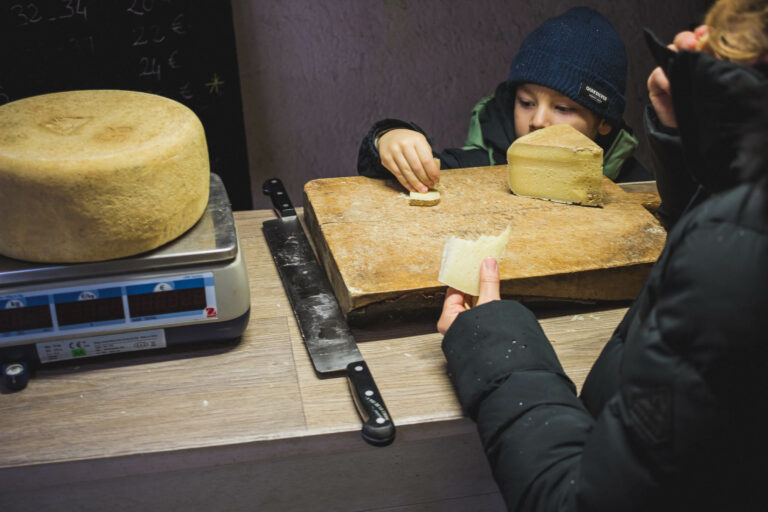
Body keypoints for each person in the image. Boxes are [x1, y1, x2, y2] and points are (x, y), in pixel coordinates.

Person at [436, 0, 768, 510]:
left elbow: (582, 500)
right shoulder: (735, 217)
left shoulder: (734, 258)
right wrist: (693, 147)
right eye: (527, 101)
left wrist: (497, 343)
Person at [357, 6, 651, 194]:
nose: (538, 121)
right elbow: (385, 178)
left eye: (562, 107)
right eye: (526, 102)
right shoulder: (475, 167)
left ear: (603, 122)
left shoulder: (637, 189)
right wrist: (388, 138)